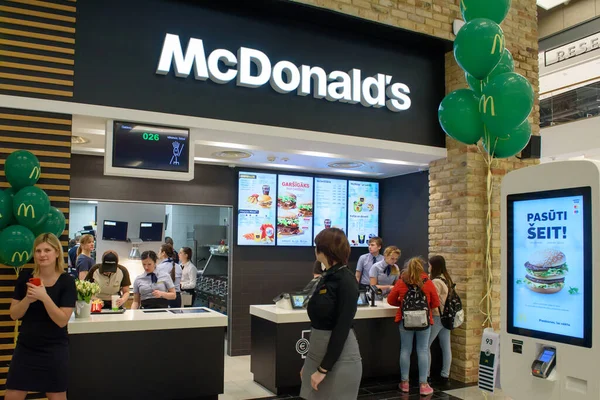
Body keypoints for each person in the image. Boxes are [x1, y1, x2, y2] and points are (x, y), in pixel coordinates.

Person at [6, 233, 76, 400]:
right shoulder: (25, 277)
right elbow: (14, 314)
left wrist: (44, 297)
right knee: (12, 395)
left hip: (54, 349)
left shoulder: (66, 281)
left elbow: (61, 320)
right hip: (26, 347)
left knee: (57, 395)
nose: (42, 255)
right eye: (38, 251)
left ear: (57, 252)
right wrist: (28, 299)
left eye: (47, 250)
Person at [300, 228, 362, 399]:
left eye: (316, 246)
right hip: (317, 354)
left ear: (325, 249)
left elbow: (342, 327)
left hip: (339, 359)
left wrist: (323, 369)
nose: (314, 249)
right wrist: (310, 363)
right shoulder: (327, 276)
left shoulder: (346, 280)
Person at [388, 257, 440, 396]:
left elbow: (390, 299)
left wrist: (402, 304)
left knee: (405, 350)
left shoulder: (401, 281)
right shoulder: (427, 282)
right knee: (422, 350)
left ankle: (405, 383)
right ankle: (423, 385)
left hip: (405, 321)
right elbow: (435, 303)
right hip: (424, 321)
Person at [428, 255, 452, 383]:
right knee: (446, 346)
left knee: (425, 346)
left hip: (437, 316)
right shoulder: (446, 278)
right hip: (446, 317)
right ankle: (445, 374)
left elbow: (433, 300)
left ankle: (426, 375)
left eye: (429, 264)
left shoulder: (436, 281)